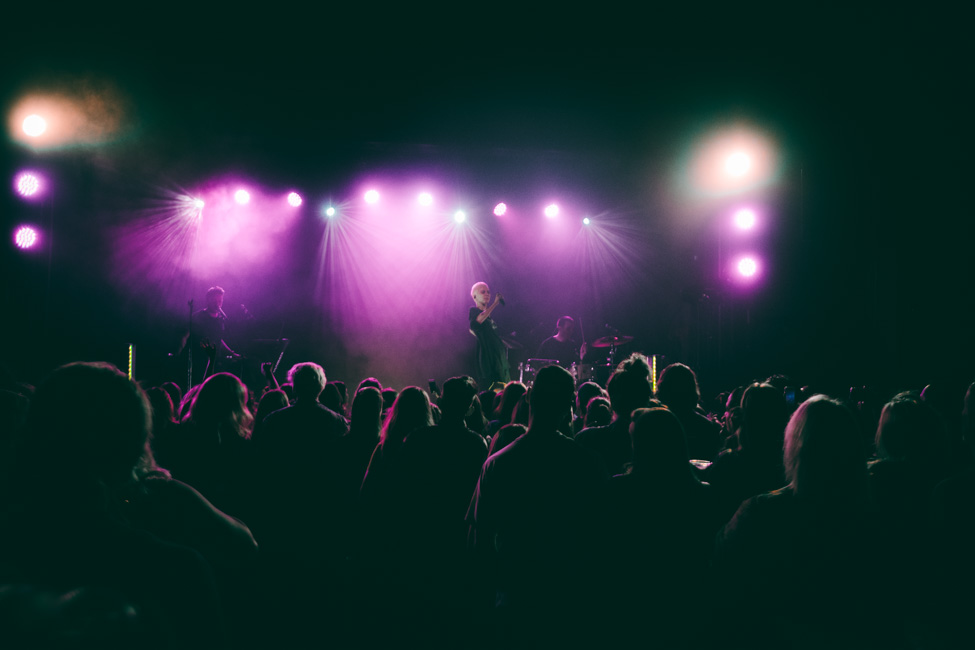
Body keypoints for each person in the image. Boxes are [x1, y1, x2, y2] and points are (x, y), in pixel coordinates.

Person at [469, 282, 510, 387]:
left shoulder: (490, 319)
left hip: (499, 361)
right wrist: (495, 303)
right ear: (475, 296)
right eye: (483, 292)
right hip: (488, 363)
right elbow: (477, 322)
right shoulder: (474, 311)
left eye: (488, 292)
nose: (487, 294)